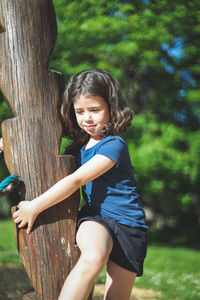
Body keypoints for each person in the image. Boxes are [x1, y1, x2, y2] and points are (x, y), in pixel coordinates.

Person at [8, 69, 147, 300]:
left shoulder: (114, 145)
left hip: (131, 226)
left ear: (112, 108)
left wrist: (35, 206)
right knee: (94, 256)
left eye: (95, 110)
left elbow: (76, 180)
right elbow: (39, 143)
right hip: (97, 218)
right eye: (80, 111)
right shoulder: (76, 147)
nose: (87, 118)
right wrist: (11, 139)